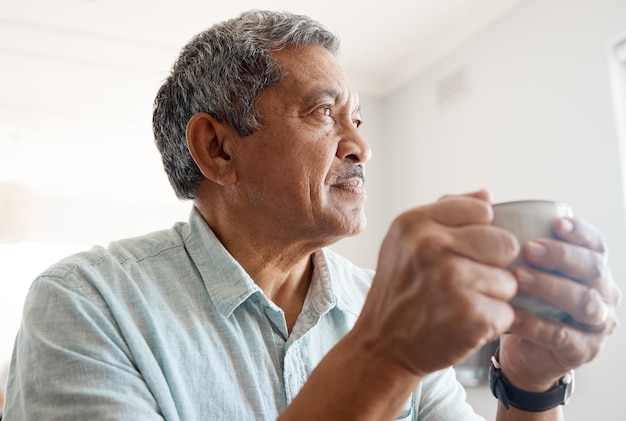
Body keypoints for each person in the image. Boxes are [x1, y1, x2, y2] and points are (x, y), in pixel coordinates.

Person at [3, 10, 620, 421]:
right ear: (218, 148)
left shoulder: (384, 304)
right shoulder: (84, 304)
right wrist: (382, 356)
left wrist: (531, 382)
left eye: (358, 117)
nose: (360, 146)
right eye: (325, 113)